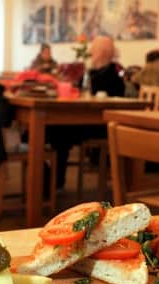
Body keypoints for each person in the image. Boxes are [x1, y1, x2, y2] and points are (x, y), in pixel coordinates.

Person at [48, 36, 124, 190]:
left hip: (100, 124)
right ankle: (52, 178)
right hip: (85, 119)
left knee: (60, 132)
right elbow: (79, 90)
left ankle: (55, 180)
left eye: (93, 50)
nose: (90, 52)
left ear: (102, 53)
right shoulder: (92, 72)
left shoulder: (113, 75)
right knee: (56, 129)